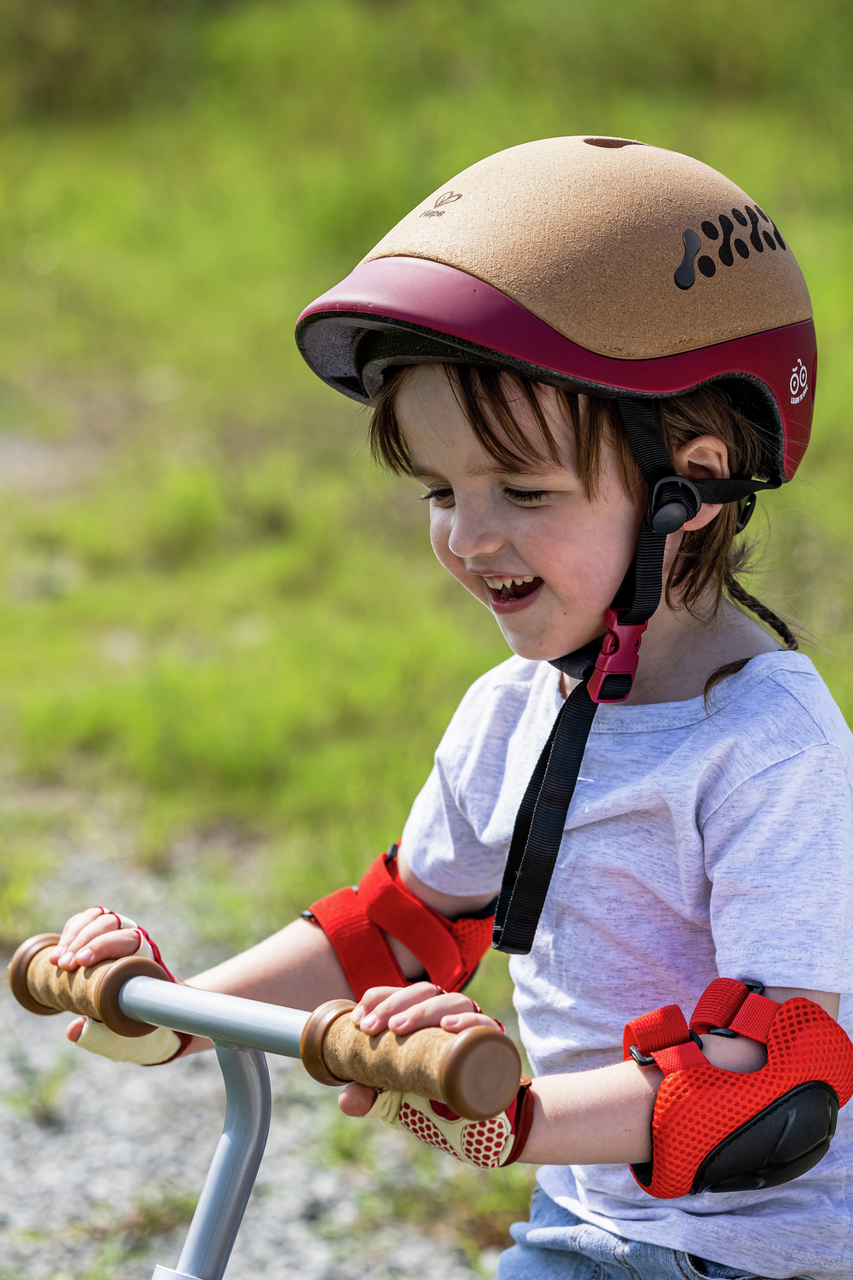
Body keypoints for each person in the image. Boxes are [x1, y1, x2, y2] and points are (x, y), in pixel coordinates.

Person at [50, 138, 853, 1280]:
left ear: (692, 484)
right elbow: (400, 931)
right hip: (585, 1232)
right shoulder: (510, 711)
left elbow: (774, 1071)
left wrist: (515, 1113)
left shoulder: (767, 749)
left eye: (521, 490)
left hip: (757, 1257)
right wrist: (172, 1007)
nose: (469, 537)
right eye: (439, 489)